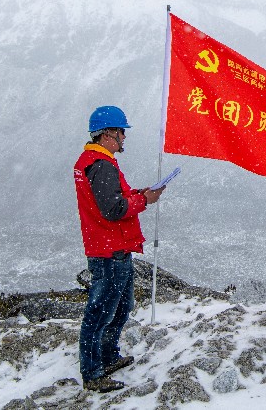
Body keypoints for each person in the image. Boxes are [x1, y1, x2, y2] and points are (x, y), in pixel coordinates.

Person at [74, 106, 165, 393]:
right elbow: (113, 209)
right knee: (100, 312)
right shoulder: (100, 164)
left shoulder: (97, 161)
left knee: (122, 306)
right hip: (110, 251)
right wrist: (144, 201)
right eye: (121, 131)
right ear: (108, 134)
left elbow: (112, 199)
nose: (124, 137)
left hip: (112, 247)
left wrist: (139, 194)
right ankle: (93, 372)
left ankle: (108, 355)